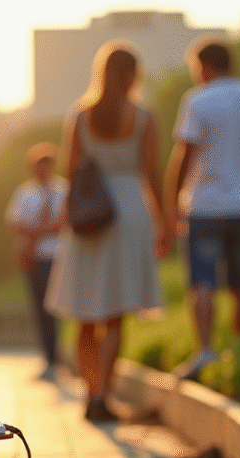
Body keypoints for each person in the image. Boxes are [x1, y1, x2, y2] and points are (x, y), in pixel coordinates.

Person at [45, 42, 168, 422]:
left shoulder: (81, 116)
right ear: (134, 75)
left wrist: (68, 218)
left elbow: (71, 170)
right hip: (129, 212)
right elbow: (151, 173)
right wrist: (163, 223)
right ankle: (104, 396)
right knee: (115, 314)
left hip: (91, 212)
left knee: (86, 313)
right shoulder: (143, 117)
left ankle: (90, 393)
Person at [164, 38, 240, 381]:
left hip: (205, 207)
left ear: (205, 67)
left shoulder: (198, 100)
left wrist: (173, 205)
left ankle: (206, 352)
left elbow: (184, 155)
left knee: (202, 281)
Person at [5, 142, 67, 381]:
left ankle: (58, 356)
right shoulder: (25, 193)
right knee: (40, 308)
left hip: (57, 257)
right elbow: (14, 221)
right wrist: (39, 231)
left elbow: (63, 224)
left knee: (57, 308)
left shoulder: (62, 190)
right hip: (34, 257)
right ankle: (49, 358)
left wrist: (36, 231)